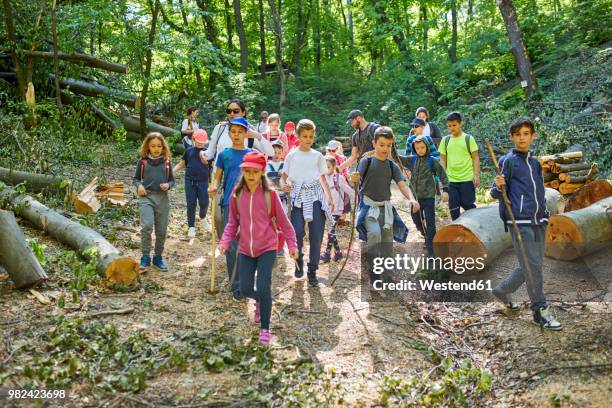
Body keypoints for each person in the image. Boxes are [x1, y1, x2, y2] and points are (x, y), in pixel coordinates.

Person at [219, 152, 298, 345]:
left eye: (255, 171)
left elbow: (285, 223)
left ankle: (265, 328)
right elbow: (231, 223)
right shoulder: (237, 195)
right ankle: (261, 300)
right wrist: (225, 242)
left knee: (264, 285)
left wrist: (293, 245)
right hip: (245, 249)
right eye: (247, 171)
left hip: (267, 248)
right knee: (245, 288)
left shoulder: (270, 196)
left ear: (262, 172)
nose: (251, 175)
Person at [490, 118, 561, 330]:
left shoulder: (535, 163)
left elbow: (538, 190)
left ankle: (502, 290)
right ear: (512, 137)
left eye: (526, 133)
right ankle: (540, 310)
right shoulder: (507, 161)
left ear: (533, 136)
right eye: (518, 134)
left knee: (530, 264)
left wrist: (545, 214)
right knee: (534, 267)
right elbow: (496, 193)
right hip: (519, 220)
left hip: (539, 219)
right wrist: (498, 186)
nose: (522, 138)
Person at [209, 117, 273, 300]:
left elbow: (262, 178)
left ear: (246, 133)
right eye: (233, 131)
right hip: (230, 202)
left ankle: (246, 280)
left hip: (251, 203)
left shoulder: (252, 154)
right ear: (229, 134)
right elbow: (218, 178)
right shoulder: (224, 155)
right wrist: (213, 187)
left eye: (240, 131)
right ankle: (236, 286)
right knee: (232, 246)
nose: (236, 135)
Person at [350, 127, 419, 284]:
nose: (385, 149)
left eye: (388, 145)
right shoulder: (366, 162)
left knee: (387, 243)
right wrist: (352, 178)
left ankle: (388, 276)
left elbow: (402, 185)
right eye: (382, 145)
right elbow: (355, 179)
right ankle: (375, 275)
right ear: (374, 143)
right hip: (369, 207)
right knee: (374, 234)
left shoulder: (391, 166)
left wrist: (411, 198)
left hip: (386, 208)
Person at [281, 119, 335, 287]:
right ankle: (299, 261)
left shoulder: (318, 156)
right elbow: (283, 177)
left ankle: (312, 270)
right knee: (296, 232)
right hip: (298, 197)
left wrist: (329, 198)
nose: (308, 139)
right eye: (304, 136)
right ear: (298, 136)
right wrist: (285, 187)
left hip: (316, 197)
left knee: (317, 235)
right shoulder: (292, 155)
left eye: (311, 136)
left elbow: (323, 178)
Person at [399, 136, 449, 256]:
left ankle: (431, 248)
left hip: (428, 197)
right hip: (415, 198)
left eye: (422, 147)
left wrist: (446, 190)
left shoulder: (432, 161)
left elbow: (443, 175)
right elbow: (398, 159)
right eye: (417, 148)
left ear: (427, 147)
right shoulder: (412, 160)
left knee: (430, 221)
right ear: (414, 149)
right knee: (416, 219)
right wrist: (392, 147)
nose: (420, 150)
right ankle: (425, 234)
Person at [133, 132, 175, 271]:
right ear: (148, 147)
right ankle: (145, 256)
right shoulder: (143, 161)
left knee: (161, 230)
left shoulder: (167, 162)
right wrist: (139, 186)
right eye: (153, 146)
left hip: (162, 199)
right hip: (147, 197)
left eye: (159, 146)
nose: (156, 149)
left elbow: (172, 180)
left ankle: (158, 257)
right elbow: (136, 178)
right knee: (147, 226)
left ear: (163, 147)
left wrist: (168, 185)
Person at [439, 111, 480, 221]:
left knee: (468, 205)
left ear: (460, 123)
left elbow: (475, 157)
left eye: (454, 125)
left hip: (467, 178)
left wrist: (476, 175)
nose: (452, 128)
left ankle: (476, 227)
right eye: (449, 126)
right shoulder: (445, 140)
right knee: (453, 208)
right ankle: (457, 231)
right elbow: (442, 160)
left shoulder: (468, 139)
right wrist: (443, 179)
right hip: (451, 179)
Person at [173, 129, 210, 238]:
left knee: (204, 203)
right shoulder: (188, 151)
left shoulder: (208, 152)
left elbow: (213, 168)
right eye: (198, 141)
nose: (199, 143)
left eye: (202, 141)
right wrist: (171, 173)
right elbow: (180, 165)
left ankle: (203, 218)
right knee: (191, 203)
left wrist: (213, 183)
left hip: (203, 182)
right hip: (190, 181)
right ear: (194, 139)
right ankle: (191, 227)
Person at [321, 156, 354, 263]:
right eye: (324, 167)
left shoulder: (339, 178)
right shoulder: (323, 178)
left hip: (337, 208)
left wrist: (360, 197)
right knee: (331, 231)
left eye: (328, 167)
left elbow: (348, 190)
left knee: (330, 230)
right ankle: (338, 253)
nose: (326, 170)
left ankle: (327, 253)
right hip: (327, 208)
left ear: (334, 166)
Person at [267, 140, 288, 212]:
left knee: (283, 212)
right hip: (270, 195)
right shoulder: (267, 165)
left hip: (282, 195)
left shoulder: (285, 165)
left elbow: (289, 179)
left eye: (279, 153)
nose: (277, 155)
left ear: (282, 153)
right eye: (275, 152)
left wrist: (284, 174)